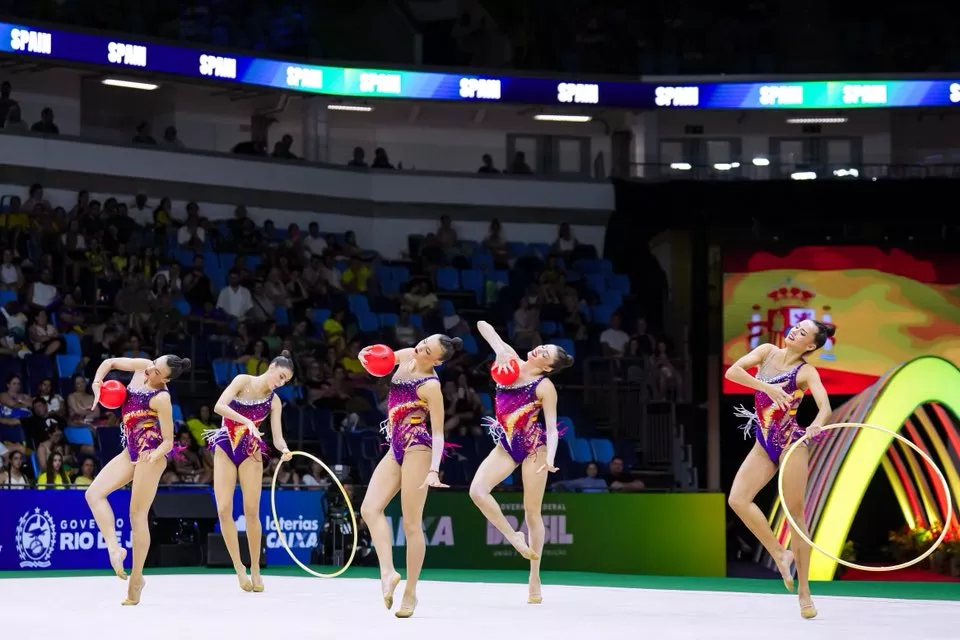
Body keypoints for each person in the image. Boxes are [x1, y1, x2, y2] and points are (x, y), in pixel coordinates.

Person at [724, 319, 834, 620]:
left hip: (791, 443)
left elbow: (825, 407)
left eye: (802, 333)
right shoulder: (767, 351)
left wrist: (816, 424)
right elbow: (732, 372)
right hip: (764, 441)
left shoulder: (806, 372)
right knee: (737, 499)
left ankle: (805, 592)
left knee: (796, 518)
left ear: (809, 346)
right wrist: (765, 388)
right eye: (795, 327)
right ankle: (779, 553)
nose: (794, 331)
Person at [468, 320, 574, 604]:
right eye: (541, 346)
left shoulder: (545, 386)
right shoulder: (511, 359)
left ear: (548, 367)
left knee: (532, 512)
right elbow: (483, 325)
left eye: (544, 353)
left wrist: (550, 458)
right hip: (506, 444)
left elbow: (552, 428)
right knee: (476, 491)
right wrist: (499, 350)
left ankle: (534, 576)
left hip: (534, 449)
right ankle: (513, 537)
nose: (538, 349)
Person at [358, 335, 461, 618]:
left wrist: (433, 470)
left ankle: (411, 592)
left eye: (427, 351)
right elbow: (377, 361)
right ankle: (388, 572)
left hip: (418, 447)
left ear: (437, 361)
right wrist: (363, 356)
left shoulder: (431, 386)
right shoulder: (406, 356)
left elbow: (439, 433)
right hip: (396, 446)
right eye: (423, 342)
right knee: (369, 508)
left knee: (412, 524)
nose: (419, 349)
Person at [84, 355, 192, 606]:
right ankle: (114, 547)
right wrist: (97, 383)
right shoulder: (143, 367)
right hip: (129, 451)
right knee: (93, 494)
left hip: (150, 454)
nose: (150, 369)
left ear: (165, 380)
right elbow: (109, 363)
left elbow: (168, 441)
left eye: (157, 371)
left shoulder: (162, 398)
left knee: (137, 514)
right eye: (153, 363)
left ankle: (136, 578)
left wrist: (153, 455)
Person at [206, 351, 294, 593]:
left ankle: (255, 567)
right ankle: (239, 567)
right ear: (272, 366)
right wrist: (246, 422)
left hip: (251, 450)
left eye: (285, 381)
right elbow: (219, 406)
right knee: (224, 510)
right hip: (226, 444)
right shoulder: (242, 380)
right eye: (281, 376)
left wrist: (285, 450)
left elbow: (277, 438)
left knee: (251, 511)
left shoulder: (274, 401)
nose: (281, 382)